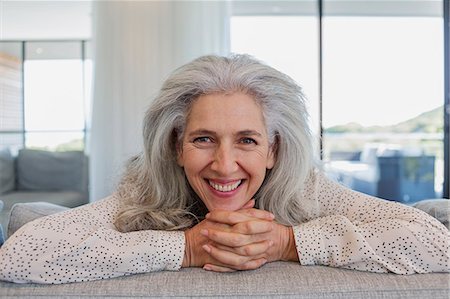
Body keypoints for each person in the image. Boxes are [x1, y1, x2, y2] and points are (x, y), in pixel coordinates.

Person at [0, 54, 448, 284]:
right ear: (176, 146)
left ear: (273, 150)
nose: (224, 164)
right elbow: (17, 256)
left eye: (247, 141)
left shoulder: (306, 187)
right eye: (203, 139)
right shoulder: (144, 187)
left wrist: (287, 242)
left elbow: (438, 244)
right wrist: (187, 249)